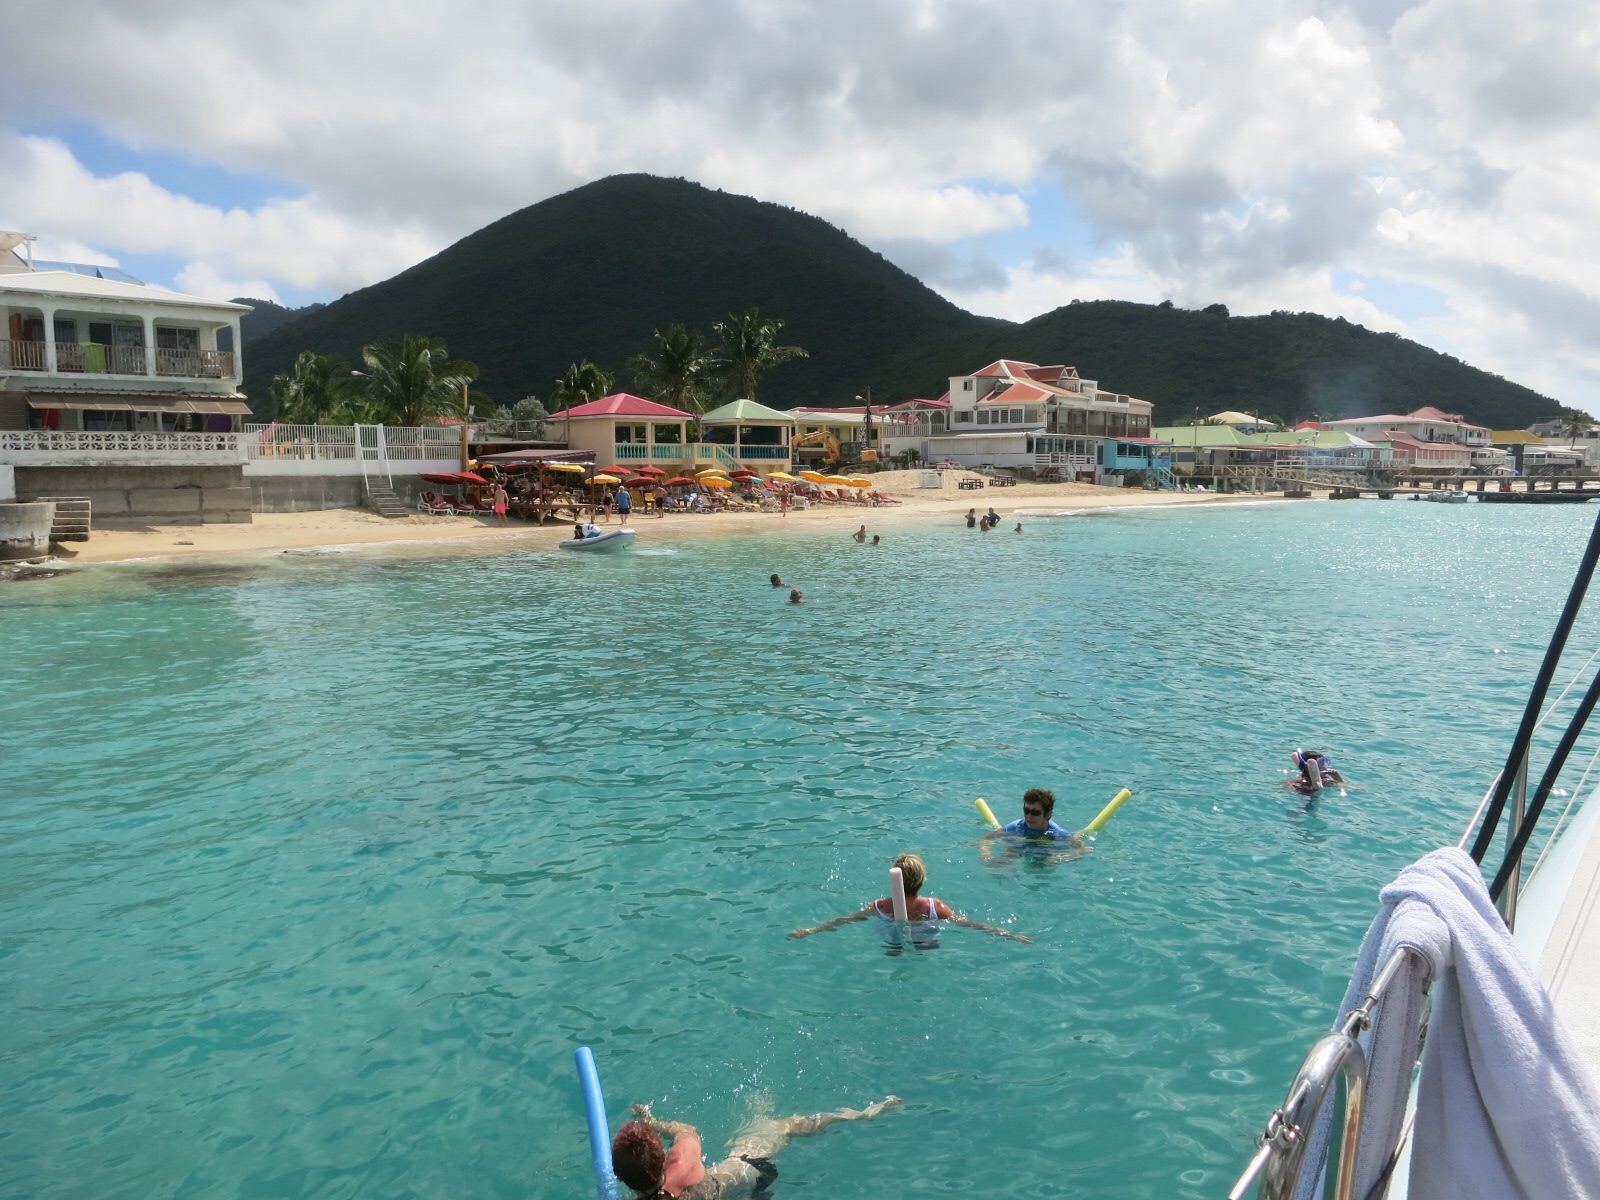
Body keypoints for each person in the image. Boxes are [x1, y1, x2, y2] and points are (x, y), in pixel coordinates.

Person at [610, 1096, 901, 1200]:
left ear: (619, 1177)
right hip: (752, 1171)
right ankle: (860, 1115)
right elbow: (686, 1131)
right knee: (784, 1126)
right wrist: (653, 1122)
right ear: (663, 1156)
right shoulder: (681, 1162)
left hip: (738, 1191)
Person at [790, 853, 1031, 947]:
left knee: (892, 947)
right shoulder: (935, 907)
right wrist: (1009, 934)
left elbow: (844, 920)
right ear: (922, 881)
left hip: (892, 941)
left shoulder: (881, 906)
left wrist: (811, 931)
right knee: (929, 945)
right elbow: (970, 924)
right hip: (927, 939)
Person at [980, 788, 1087, 865]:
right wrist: (986, 854)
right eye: (1026, 811)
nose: (1029, 816)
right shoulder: (1016, 827)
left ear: (1048, 815)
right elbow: (985, 838)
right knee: (1005, 859)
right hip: (1019, 847)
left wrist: (1060, 857)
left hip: (1044, 851)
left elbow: (1083, 849)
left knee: (1042, 864)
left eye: (1035, 813)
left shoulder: (1057, 833)